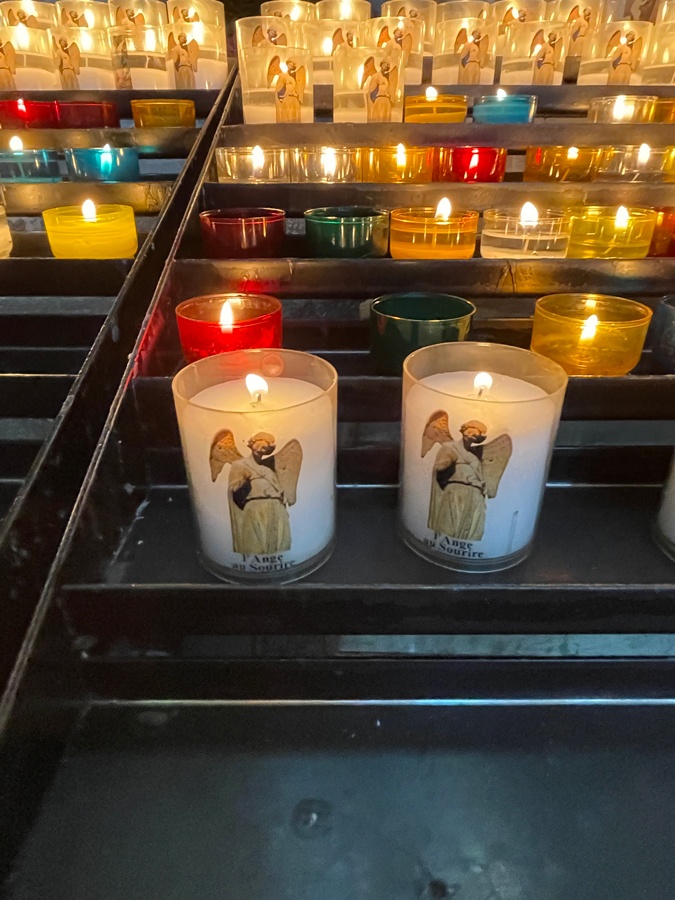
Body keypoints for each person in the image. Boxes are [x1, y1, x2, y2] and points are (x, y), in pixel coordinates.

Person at [427, 421, 491, 541]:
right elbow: (439, 467)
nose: (470, 435)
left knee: (472, 529)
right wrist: (447, 460)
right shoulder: (450, 447)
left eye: (474, 434)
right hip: (456, 491)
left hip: (475, 493)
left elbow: (481, 475)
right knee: (449, 524)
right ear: (463, 431)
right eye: (469, 431)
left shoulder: (474, 456)